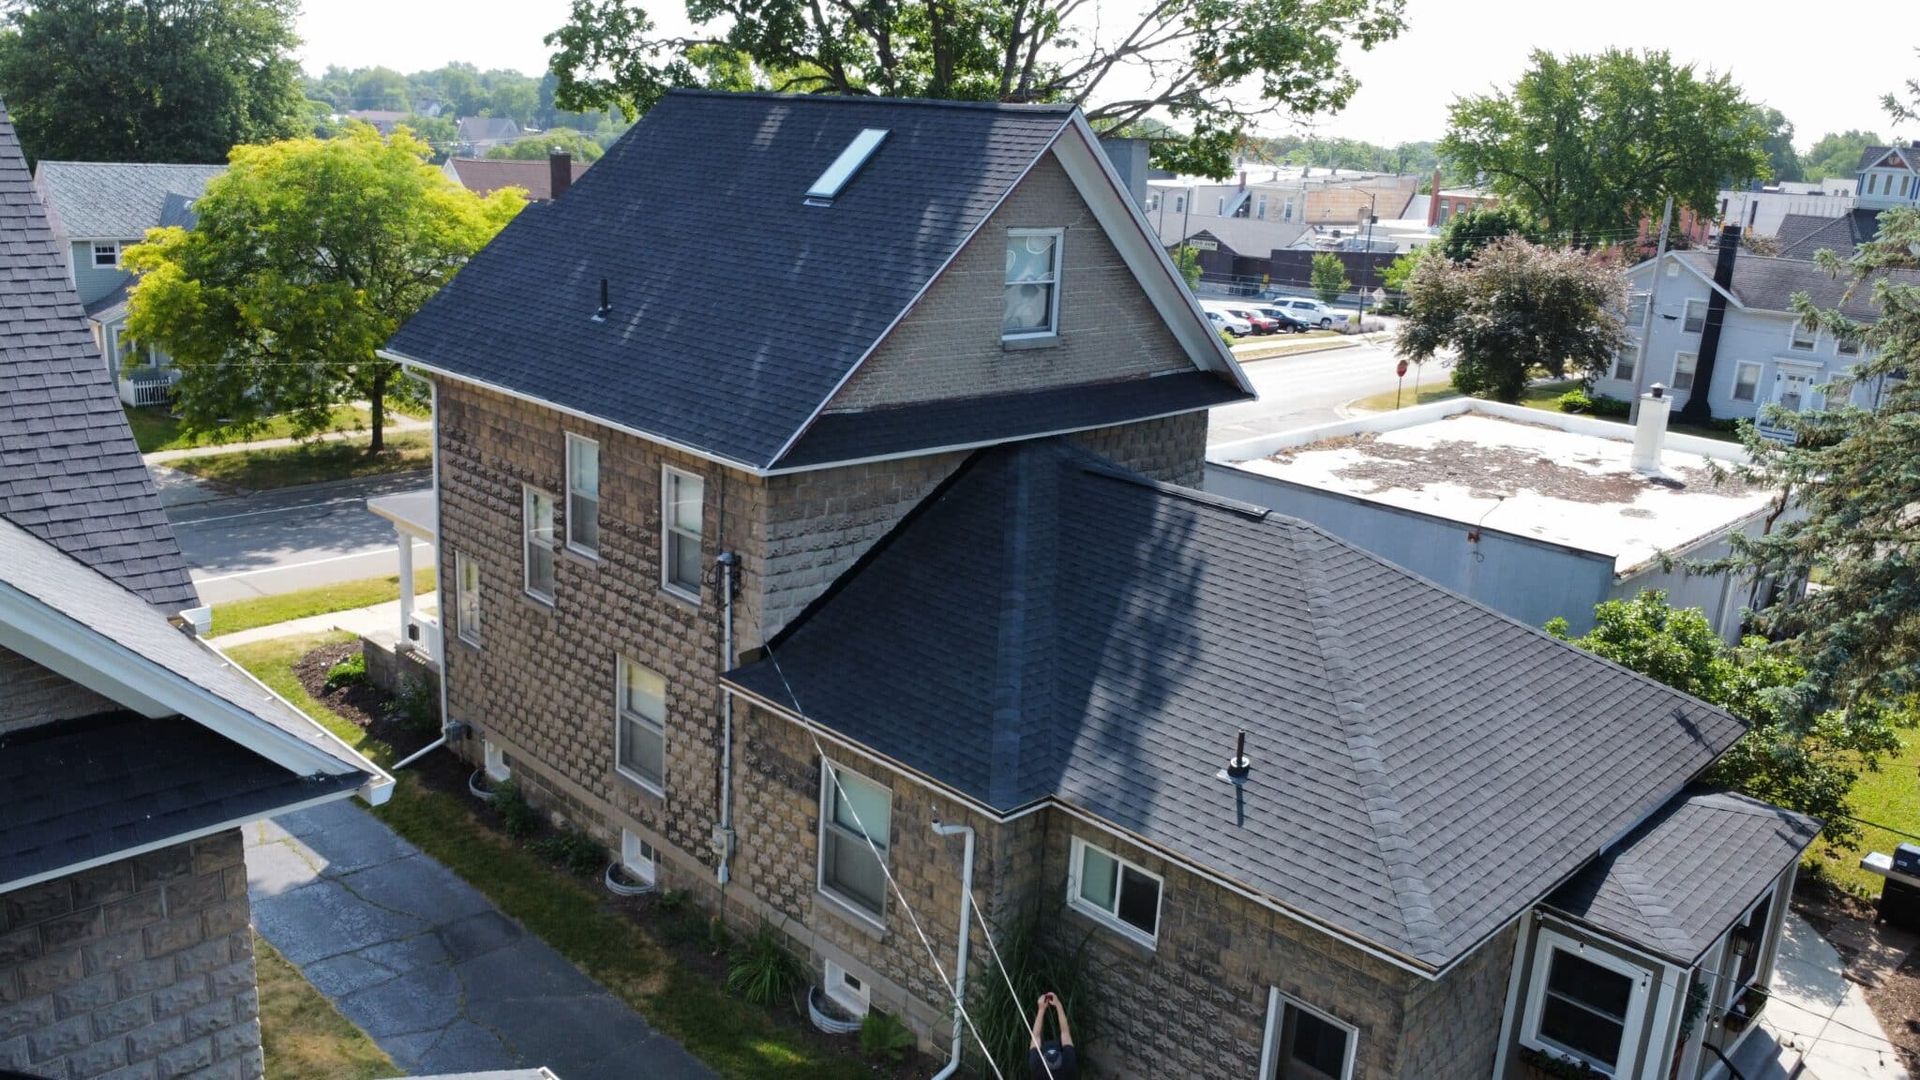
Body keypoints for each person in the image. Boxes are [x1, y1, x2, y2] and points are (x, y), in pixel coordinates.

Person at [1028, 991, 1077, 1079]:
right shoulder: (1068, 1063)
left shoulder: (1036, 1066)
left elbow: (1036, 1037)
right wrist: (1058, 1005)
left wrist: (1041, 1009)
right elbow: (1065, 1033)